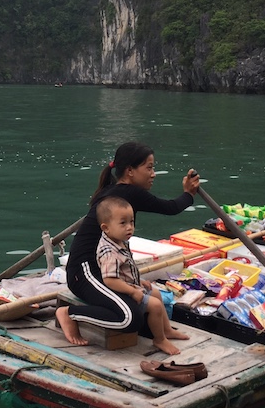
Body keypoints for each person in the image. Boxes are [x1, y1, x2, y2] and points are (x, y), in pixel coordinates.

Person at [56, 141, 200, 349]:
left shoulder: (117, 191)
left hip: (107, 271)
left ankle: (165, 330)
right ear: (130, 171)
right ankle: (69, 313)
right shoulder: (129, 193)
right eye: (149, 167)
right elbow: (170, 208)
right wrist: (189, 193)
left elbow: (120, 252)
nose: (153, 174)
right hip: (84, 272)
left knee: (147, 298)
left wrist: (134, 281)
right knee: (130, 319)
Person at [93, 196, 189, 355]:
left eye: (131, 222)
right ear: (106, 228)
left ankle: (167, 330)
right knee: (155, 305)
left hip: (129, 285)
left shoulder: (120, 241)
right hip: (120, 293)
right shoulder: (110, 252)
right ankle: (159, 339)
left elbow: (126, 269)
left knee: (156, 293)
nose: (129, 227)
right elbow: (110, 280)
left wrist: (140, 281)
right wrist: (132, 291)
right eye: (123, 223)